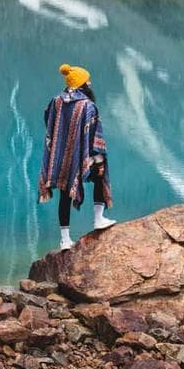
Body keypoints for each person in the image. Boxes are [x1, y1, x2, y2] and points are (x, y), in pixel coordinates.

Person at [38, 63, 116, 250]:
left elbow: (47, 118)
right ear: (82, 84)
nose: (90, 82)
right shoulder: (88, 106)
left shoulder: (56, 101)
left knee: (64, 193)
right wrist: (95, 156)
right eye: (87, 80)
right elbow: (94, 134)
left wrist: (60, 140)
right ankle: (98, 219)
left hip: (60, 156)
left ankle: (64, 240)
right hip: (82, 156)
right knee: (100, 173)